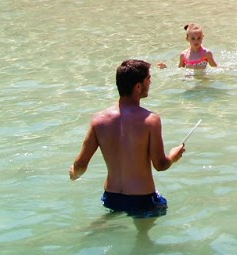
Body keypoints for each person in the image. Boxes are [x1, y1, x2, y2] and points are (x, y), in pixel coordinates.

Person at [69, 59, 186, 217]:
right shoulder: (150, 120)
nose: (150, 82)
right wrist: (174, 156)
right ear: (138, 86)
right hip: (142, 199)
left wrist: (75, 173)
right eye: (148, 79)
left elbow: (81, 164)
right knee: (144, 239)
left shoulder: (99, 120)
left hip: (111, 197)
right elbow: (160, 165)